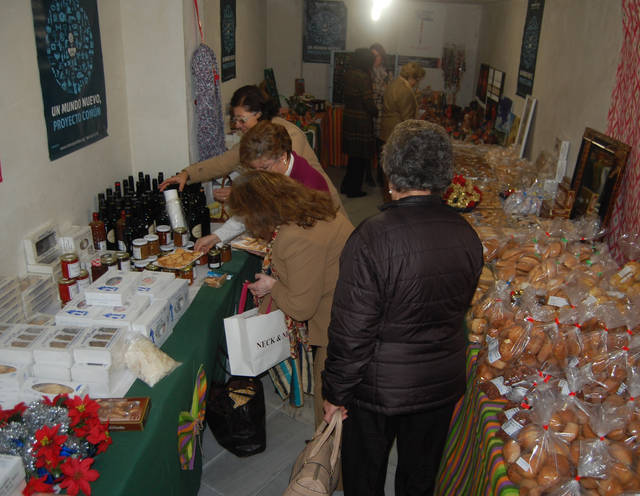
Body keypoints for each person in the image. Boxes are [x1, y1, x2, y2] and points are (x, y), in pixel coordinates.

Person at [322, 120, 483, 495]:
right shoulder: (467, 236)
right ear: (444, 174)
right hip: (439, 386)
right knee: (420, 480)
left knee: (364, 479)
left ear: (390, 170)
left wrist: (335, 394)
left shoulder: (371, 238)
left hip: (376, 391)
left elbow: (351, 332)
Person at [228, 170, 354, 427]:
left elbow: (300, 308)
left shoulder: (294, 237)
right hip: (353, 305)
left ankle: (327, 457)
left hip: (341, 326)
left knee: (327, 400)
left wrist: (273, 285)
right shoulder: (314, 209)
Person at [158, 85, 342, 211]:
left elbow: (281, 184)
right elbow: (224, 162)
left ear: (259, 113)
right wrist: (187, 174)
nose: (237, 125)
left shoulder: (286, 135)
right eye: (234, 119)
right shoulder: (255, 138)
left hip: (319, 207)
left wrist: (243, 194)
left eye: (242, 119)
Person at [193, 121, 337, 254]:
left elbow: (309, 243)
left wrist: (271, 250)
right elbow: (250, 210)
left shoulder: (309, 184)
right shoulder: (270, 173)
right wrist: (217, 236)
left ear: (282, 156)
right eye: (254, 170)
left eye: (264, 168)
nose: (259, 176)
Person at [378, 61, 426, 202]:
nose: (416, 83)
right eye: (417, 80)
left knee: (387, 168)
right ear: (413, 78)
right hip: (396, 133)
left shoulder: (394, 84)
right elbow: (407, 121)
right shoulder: (405, 90)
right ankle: (394, 199)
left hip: (386, 130)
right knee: (395, 171)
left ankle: (388, 196)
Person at [340, 48, 378, 198]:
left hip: (349, 117)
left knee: (353, 157)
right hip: (361, 120)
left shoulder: (348, 73)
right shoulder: (363, 76)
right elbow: (368, 101)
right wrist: (376, 111)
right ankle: (354, 190)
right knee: (360, 158)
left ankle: (346, 185)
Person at [369, 42, 392, 187]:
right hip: (369, 112)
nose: (375, 59)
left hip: (383, 113)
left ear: (382, 57)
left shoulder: (387, 72)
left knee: (381, 145)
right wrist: (380, 89)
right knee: (368, 147)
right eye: (372, 56)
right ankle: (368, 175)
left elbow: (388, 93)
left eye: (377, 56)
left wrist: (379, 90)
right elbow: (374, 92)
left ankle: (380, 175)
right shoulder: (368, 72)